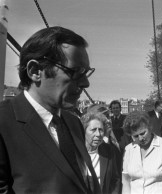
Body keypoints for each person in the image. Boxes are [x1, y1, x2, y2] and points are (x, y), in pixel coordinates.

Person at [0, 26, 101, 194]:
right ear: (35, 71)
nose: (85, 83)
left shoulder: (74, 123)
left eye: (86, 73)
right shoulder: (4, 122)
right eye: (75, 72)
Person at [122, 111, 162, 194]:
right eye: (135, 136)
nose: (140, 138)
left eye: (143, 133)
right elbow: (126, 181)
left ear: (150, 127)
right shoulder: (129, 149)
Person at [81, 111, 121, 194]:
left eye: (101, 130)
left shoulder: (109, 151)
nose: (98, 134)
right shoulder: (75, 151)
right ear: (84, 131)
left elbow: (115, 180)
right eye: (93, 130)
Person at [109, 100, 132, 173]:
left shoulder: (126, 118)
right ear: (111, 109)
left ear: (120, 108)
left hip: (124, 144)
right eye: (114, 108)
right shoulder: (109, 119)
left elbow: (125, 128)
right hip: (113, 145)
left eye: (117, 108)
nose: (115, 109)